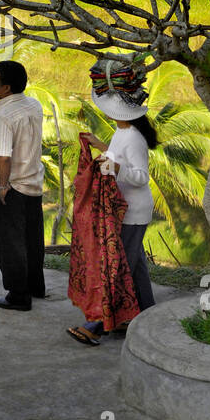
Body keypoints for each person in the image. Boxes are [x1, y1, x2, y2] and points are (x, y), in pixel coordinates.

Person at [68, 57, 158, 346]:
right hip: (128, 209)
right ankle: (148, 315)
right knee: (136, 265)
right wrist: (99, 146)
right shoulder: (123, 132)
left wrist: (114, 167)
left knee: (117, 268)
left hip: (133, 210)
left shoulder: (133, 138)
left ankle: (95, 324)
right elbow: (117, 156)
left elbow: (141, 176)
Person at [0, 60, 45, 311]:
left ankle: (18, 295)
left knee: (9, 243)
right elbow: (8, 114)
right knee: (31, 239)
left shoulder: (3, 116)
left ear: (7, 87)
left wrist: (3, 187)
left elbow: (3, 156)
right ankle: (36, 286)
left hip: (11, 188)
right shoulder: (33, 105)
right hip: (33, 184)